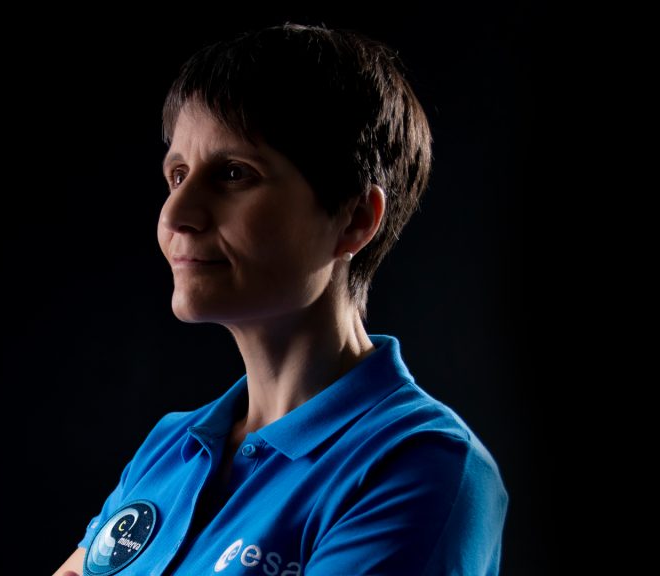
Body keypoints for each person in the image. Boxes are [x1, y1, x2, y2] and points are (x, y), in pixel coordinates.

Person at [55, 23, 508, 576]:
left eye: (233, 174)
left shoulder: (418, 466)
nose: (175, 215)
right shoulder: (171, 445)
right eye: (177, 175)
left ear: (354, 220)